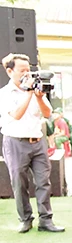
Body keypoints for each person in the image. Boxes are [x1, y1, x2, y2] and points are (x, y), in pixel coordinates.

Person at [0, 53, 65, 233]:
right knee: (19, 183)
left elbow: (47, 113)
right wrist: (28, 93)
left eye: (28, 70)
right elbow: (16, 115)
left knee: (43, 181)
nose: (27, 74)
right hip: (15, 142)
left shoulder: (35, 88)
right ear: (9, 71)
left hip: (37, 141)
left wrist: (38, 96)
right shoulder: (5, 94)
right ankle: (25, 219)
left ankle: (46, 220)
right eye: (22, 70)